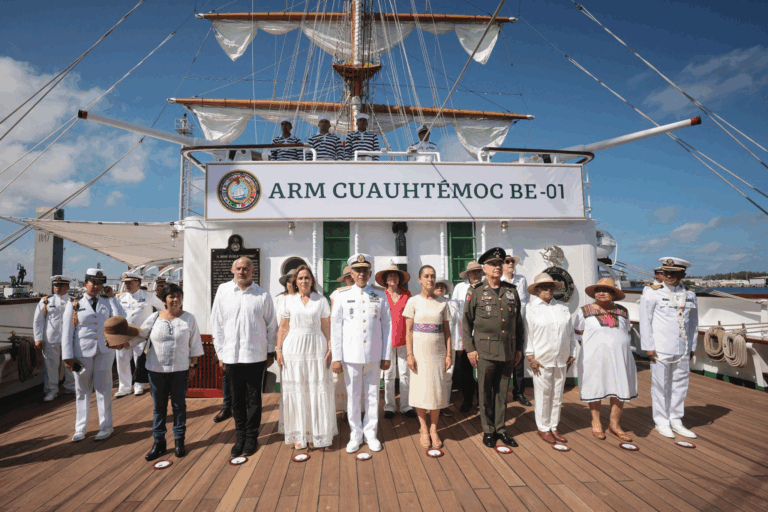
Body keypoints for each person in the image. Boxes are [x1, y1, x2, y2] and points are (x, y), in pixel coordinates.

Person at [120, 283, 203, 460]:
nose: (176, 299)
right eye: (172, 296)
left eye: (179, 296)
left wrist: (193, 367)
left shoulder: (189, 319)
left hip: (180, 370)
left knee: (179, 406)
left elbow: (194, 345)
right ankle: (159, 442)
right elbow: (140, 335)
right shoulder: (155, 317)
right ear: (164, 300)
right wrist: (123, 343)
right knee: (159, 408)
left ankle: (179, 440)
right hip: (156, 370)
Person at [211, 257, 278, 457]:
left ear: (252, 271)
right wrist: (221, 353)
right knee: (236, 401)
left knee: (254, 400)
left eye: (246, 268)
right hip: (231, 356)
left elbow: (271, 326)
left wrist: (269, 352)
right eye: (238, 268)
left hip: (255, 356)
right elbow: (217, 324)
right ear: (233, 270)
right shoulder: (223, 291)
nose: (242, 271)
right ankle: (239, 436)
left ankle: (251, 437)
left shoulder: (263, 295)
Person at [330, 253, 392, 453]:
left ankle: (371, 433)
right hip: (351, 355)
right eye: (357, 270)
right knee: (353, 396)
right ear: (351, 273)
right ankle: (355, 434)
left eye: (365, 270)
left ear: (370, 273)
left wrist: (386, 355)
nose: (361, 274)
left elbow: (387, 327)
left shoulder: (381, 295)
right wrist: (337, 357)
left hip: (374, 353)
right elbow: (336, 328)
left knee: (373, 395)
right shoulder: (341, 295)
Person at [462, 248, 523, 448]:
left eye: (500, 264)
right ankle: (488, 430)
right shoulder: (476, 291)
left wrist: (519, 348)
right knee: (485, 391)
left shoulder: (511, 291)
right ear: (484, 268)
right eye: (493, 264)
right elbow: (466, 323)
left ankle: (501, 429)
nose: (498, 267)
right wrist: (470, 349)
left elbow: (519, 323)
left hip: (507, 350)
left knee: (502, 391)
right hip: (485, 350)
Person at [276, 265, 337, 449]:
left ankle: (317, 433)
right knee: (297, 390)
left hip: (316, 347)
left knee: (316, 389)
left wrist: (330, 346)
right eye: (300, 278)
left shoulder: (321, 300)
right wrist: (278, 350)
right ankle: (299, 433)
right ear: (295, 281)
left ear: (312, 281)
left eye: (307, 278)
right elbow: (283, 327)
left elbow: (326, 325)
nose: (304, 281)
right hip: (293, 349)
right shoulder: (288, 300)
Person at [62, 268, 125, 442]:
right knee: (82, 390)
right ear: (85, 284)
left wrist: (112, 298)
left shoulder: (107, 302)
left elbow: (121, 319)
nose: (97, 286)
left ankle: (106, 427)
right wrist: (68, 356)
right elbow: (67, 331)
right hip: (82, 352)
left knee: (104, 389)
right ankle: (80, 428)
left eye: (100, 283)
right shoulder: (74, 303)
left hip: (104, 350)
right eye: (93, 283)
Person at [640, 257, 699, 439]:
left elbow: (693, 324)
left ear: (683, 274)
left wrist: (692, 347)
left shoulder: (690, 295)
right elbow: (645, 321)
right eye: (666, 273)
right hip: (660, 349)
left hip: (682, 348)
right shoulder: (652, 292)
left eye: (673, 273)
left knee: (680, 385)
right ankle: (661, 421)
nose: (669, 276)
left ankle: (676, 419)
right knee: (661, 386)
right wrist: (648, 347)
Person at [575, 278, 637, 441]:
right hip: (594, 357)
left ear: (614, 294)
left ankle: (614, 424)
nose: (601, 293)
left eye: (606, 290)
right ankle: (596, 422)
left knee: (619, 387)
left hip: (619, 357)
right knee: (595, 387)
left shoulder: (623, 311)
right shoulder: (584, 311)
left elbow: (627, 332)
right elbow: (578, 334)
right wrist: (595, 346)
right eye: (598, 290)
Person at [525, 273, 577, 444]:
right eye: (544, 287)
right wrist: (530, 357)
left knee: (557, 395)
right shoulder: (530, 309)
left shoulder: (562, 307)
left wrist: (572, 353)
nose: (548, 290)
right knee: (543, 394)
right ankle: (543, 428)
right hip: (541, 359)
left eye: (550, 287)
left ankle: (554, 426)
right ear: (537, 290)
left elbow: (569, 333)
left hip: (561, 358)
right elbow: (527, 336)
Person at [404, 266, 452, 448]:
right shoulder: (413, 302)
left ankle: (434, 428)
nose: (430, 279)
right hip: (418, 354)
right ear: (419, 280)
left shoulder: (442, 303)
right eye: (426, 276)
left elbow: (447, 332)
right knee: (420, 390)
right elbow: (408, 332)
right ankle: (423, 428)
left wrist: (449, 354)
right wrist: (409, 354)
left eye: (432, 276)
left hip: (437, 353)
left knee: (437, 390)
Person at [115, 271, 165, 398]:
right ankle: (124, 387)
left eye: (130, 282)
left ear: (138, 283)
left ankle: (139, 385)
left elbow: (162, 310)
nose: (126, 285)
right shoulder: (120, 298)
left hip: (141, 334)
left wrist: (155, 324)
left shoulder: (148, 296)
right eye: (125, 282)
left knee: (140, 359)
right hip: (124, 334)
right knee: (122, 360)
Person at [375, 264, 414, 420]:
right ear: (385, 280)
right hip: (386, 340)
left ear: (400, 279)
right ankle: (389, 406)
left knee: (405, 373)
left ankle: (406, 406)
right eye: (389, 276)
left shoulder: (407, 295)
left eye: (395, 276)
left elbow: (411, 316)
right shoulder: (381, 295)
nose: (392, 278)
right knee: (389, 374)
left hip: (405, 339)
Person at [33, 275, 76, 401]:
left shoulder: (73, 301)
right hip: (51, 338)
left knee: (70, 364)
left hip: (69, 338)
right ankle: (51, 391)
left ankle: (71, 387)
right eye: (55, 285)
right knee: (51, 366)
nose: (57, 288)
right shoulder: (46, 301)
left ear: (67, 287)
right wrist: (38, 338)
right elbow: (38, 321)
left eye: (60, 285)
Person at [451, 260, 483, 413]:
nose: (475, 274)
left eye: (478, 271)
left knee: (485, 371)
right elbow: (456, 313)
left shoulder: (487, 287)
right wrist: (459, 340)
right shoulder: (460, 288)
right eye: (472, 272)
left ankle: (484, 402)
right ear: (468, 274)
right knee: (466, 372)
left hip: (483, 336)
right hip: (466, 335)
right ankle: (468, 400)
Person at [500, 251, 531, 407]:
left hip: (520, 325)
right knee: (504, 360)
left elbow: (525, 302)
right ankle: (501, 394)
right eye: (507, 261)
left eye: (512, 261)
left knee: (519, 361)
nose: (510, 264)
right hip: (505, 325)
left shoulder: (521, 280)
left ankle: (518, 393)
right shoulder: (498, 281)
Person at [435, 278, 461, 417]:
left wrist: (459, 345)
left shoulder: (453, 304)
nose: (440, 288)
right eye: (437, 285)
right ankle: (433, 405)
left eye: (442, 286)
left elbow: (458, 325)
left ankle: (444, 404)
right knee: (433, 376)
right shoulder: (429, 302)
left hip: (450, 345)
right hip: (433, 345)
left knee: (448, 376)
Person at [329, 266, 353, 413]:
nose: (351, 278)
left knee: (356, 376)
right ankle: (342, 409)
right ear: (344, 279)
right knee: (340, 377)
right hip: (341, 338)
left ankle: (355, 409)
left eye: (352, 275)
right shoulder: (336, 294)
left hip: (355, 339)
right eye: (348, 276)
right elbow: (333, 319)